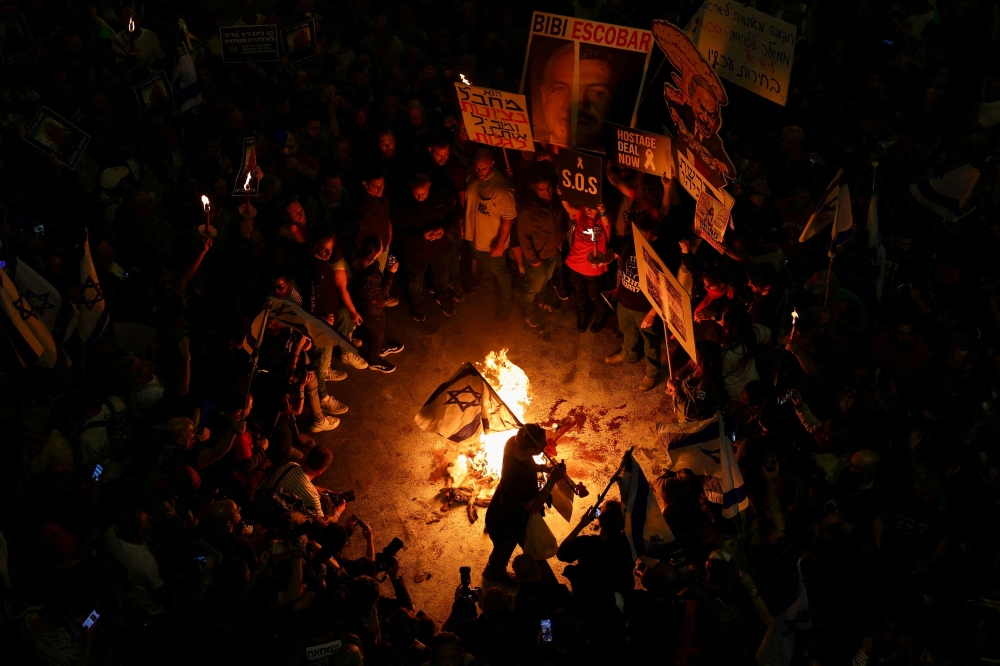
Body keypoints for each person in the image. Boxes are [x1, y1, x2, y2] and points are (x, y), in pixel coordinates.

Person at [483, 424, 566, 585]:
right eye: (542, 445)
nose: (545, 446)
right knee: (527, 549)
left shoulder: (513, 443)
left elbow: (529, 463)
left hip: (502, 508)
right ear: (529, 450)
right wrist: (552, 480)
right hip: (508, 520)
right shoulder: (519, 477)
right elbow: (533, 506)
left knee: (503, 549)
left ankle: (493, 571)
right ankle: (549, 587)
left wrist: (545, 468)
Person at [605, 215, 663, 391]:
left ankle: (652, 373)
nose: (638, 239)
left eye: (643, 236)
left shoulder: (658, 256)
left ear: (653, 237)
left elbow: (665, 290)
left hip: (644, 308)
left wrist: (652, 313)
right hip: (625, 301)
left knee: (650, 341)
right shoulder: (630, 241)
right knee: (627, 332)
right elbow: (613, 256)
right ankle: (628, 354)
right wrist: (600, 260)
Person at [394, 173, 461, 320]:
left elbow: (455, 214)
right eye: (416, 194)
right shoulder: (404, 204)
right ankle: (417, 304)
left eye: (423, 193)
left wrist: (444, 228)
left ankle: (443, 297)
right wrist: (421, 236)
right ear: (410, 187)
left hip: (440, 247)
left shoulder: (442, 195)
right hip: (416, 251)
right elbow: (398, 232)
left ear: (429, 185)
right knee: (415, 279)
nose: (420, 198)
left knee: (442, 275)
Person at [465, 148, 517, 321]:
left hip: (493, 241)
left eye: (484, 169)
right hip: (476, 237)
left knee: (499, 270)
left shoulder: (500, 188)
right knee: (484, 266)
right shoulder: (472, 177)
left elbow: (508, 219)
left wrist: (500, 243)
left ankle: (506, 303)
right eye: (477, 168)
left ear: (492, 164)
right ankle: (486, 291)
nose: (479, 172)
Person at [516, 171, 566, 330]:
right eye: (542, 190)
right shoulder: (529, 210)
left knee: (545, 280)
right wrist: (533, 259)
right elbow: (524, 237)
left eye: (549, 188)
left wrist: (560, 240)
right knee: (532, 287)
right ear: (535, 190)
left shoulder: (555, 202)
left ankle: (541, 302)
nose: (547, 192)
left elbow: (559, 223)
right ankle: (528, 313)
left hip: (553, 253)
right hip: (538, 257)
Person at [354, 235, 403, 373]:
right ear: (376, 253)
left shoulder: (360, 260)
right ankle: (374, 360)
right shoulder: (371, 275)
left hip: (363, 304)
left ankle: (383, 346)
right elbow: (381, 296)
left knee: (377, 331)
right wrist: (390, 273)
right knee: (377, 334)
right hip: (371, 310)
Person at [562, 199, 612, 332]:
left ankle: (603, 313)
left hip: (593, 267)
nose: (589, 210)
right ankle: (583, 314)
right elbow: (568, 206)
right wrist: (565, 195)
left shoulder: (603, 220)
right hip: (574, 263)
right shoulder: (580, 215)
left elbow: (606, 220)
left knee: (594, 295)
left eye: (593, 208)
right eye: (587, 207)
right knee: (579, 294)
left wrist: (602, 211)